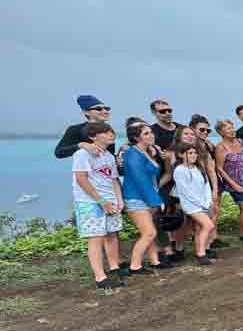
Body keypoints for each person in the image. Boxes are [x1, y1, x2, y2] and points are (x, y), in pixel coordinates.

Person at [72, 122, 125, 289]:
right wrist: (101, 201)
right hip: (90, 202)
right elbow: (81, 179)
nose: (111, 134)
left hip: (111, 200)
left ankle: (114, 267)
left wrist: (119, 199)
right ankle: (100, 277)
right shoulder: (82, 155)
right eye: (105, 132)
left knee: (111, 234)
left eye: (111, 131)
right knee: (95, 238)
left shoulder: (109, 156)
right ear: (92, 137)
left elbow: (114, 179)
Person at [122, 124, 172, 274]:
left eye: (151, 132)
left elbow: (152, 178)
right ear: (136, 137)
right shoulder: (132, 154)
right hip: (136, 198)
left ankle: (155, 261)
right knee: (149, 233)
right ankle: (135, 266)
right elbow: (140, 179)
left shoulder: (146, 152)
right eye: (146, 133)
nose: (151, 135)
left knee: (148, 232)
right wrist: (155, 201)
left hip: (146, 197)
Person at [214, 119, 243, 247]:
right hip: (235, 183)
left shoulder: (239, 142)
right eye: (227, 128)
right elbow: (219, 168)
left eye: (232, 127)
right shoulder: (221, 147)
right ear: (221, 132)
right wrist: (234, 185)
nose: (232, 130)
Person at [173, 143, 216, 265]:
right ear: (181, 155)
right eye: (190, 153)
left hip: (203, 203)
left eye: (195, 153)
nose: (193, 155)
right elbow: (186, 192)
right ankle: (201, 254)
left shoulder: (198, 168)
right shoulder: (180, 170)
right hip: (191, 205)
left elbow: (206, 185)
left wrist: (208, 201)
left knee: (200, 228)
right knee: (208, 226)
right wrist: (202, 203)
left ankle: (200, 253)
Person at [190, 114, 227, 249]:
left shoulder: (206, 144)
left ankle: (212, 238)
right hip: (200, 185)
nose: (205, 132)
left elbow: (212, 167)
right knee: (203, 216)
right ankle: (205, 245)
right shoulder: (191, 148)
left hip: (212, 182)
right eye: (201, 130)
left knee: (214, 212)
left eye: (207, 130)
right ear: (193, 129)